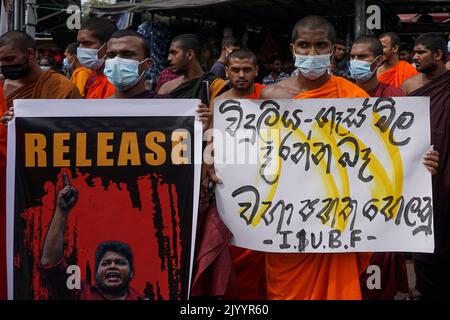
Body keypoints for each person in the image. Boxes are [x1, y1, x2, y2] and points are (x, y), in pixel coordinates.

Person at [259, 15, 371, 300]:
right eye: (304, 46)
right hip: (286, 216)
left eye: (320, 45)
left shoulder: (354, 99)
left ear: (333, 49)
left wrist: (418, 160)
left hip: (337, 218)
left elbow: (376, 156)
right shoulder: (272, 95)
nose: (312, 54)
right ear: (292, 48)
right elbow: (258, 155)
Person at [350, 35, 440, 299]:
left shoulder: (397, 97)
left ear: (378, 60)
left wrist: (426, 160)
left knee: (379, 266)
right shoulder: (338, 95)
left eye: (362, 57)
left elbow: (411, 146)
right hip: (343, 193)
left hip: (383, 195)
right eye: (352, 56)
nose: (355, 62)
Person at [40, 173, 145, 300]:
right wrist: (61, 210)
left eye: (120, 262)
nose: (112, 266)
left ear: (132, 273)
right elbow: (50, 263)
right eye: (105, 263)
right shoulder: (81, 295)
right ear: (96, 273)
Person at [214, 49, 266, 300]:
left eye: (247, 70)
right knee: (234, 246)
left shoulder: (268, 98)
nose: (242, 75)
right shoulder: (219, 102)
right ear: (227, 72)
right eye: (236, 70)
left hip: (266, 184)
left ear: (256, 71)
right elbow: (210, 144)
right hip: (231, 187)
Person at [401, 33, 450, 300]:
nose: (415, 57)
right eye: (414, 52)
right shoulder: (409, 86)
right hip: (419, 170)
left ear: (439, 55)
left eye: (420, 52)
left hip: (447, 166)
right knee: (423, 227)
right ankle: (423, 289)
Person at [105, 30, 212, 130]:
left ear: (148, 64)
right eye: (111, 55)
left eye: (127, 54)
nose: (117, 60)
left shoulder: (168, 107)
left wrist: (198, 129)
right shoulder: (95, 111)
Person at [157, 34, 229, 104]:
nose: (169, 58)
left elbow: (221, 114)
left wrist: (209, 115)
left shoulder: (215, 86)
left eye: (174, 53)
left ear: (190, 54)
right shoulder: (166, 88)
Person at [77, 17, 118, 99]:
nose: (80, 48)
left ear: (109, 45)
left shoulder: (115, 82)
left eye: (87, 43)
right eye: (79, 43)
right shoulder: (93, 76)